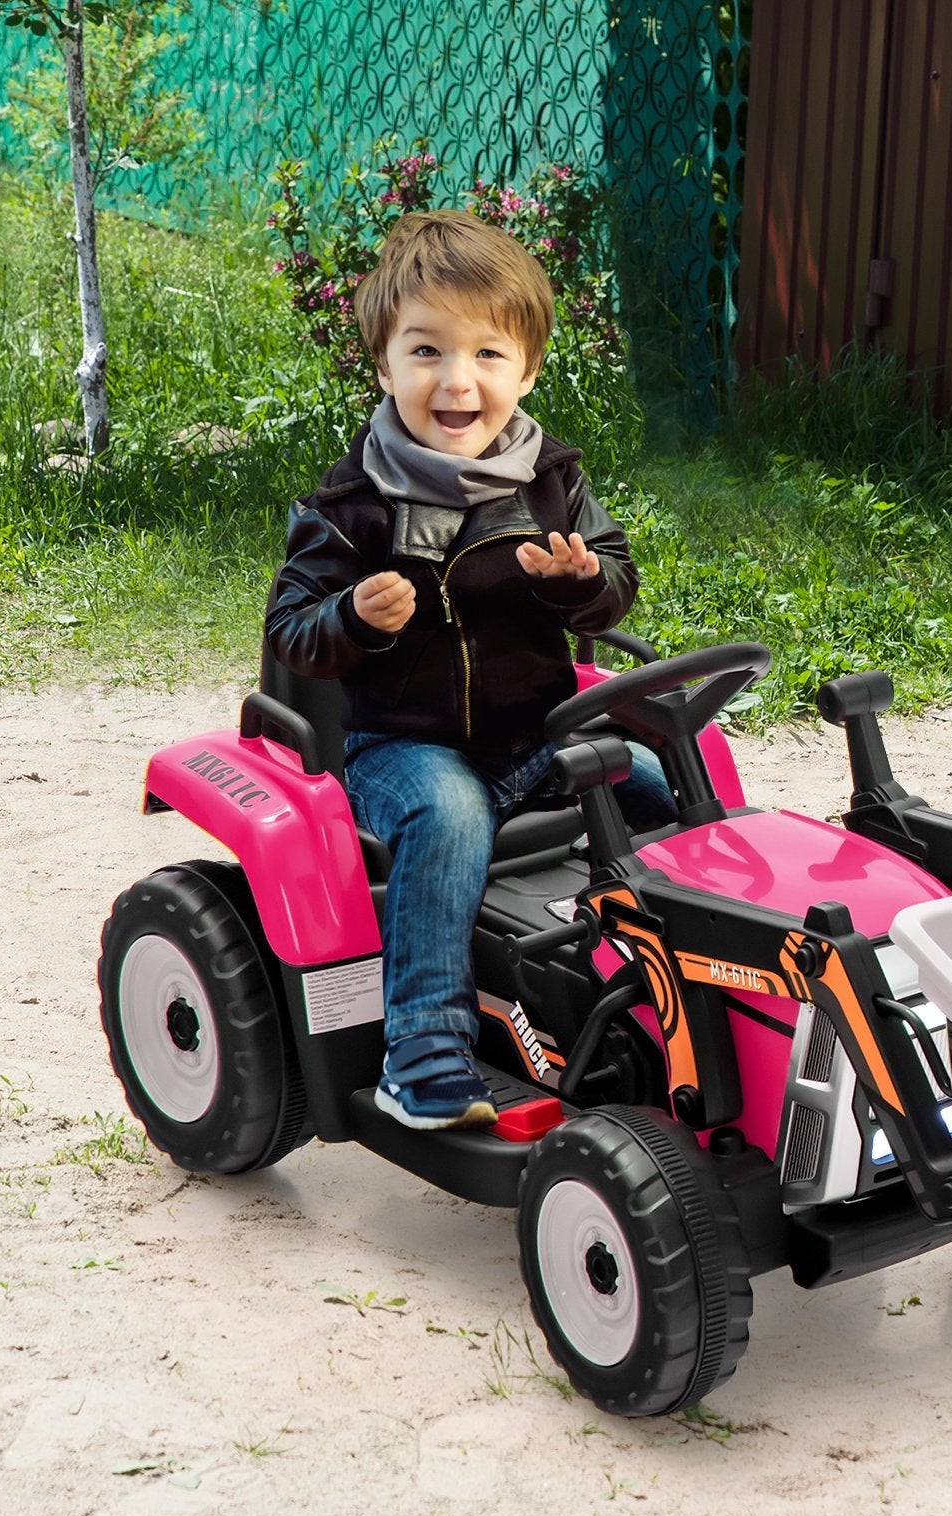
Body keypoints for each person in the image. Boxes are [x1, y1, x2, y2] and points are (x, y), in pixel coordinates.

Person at [265, 209, 672, 1131]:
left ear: (526, 371)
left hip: (533, 737)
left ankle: (673, 991)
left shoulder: (551, 480)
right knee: (447, 815)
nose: (458, 381)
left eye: (489, 355)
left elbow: (616, 587)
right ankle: (425, 1051)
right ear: (384, 365)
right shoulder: (349, 504)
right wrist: (354, 620)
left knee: (661, 780)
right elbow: (294, 630)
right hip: (401, 748)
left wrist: (583, 584)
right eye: (427, 352)